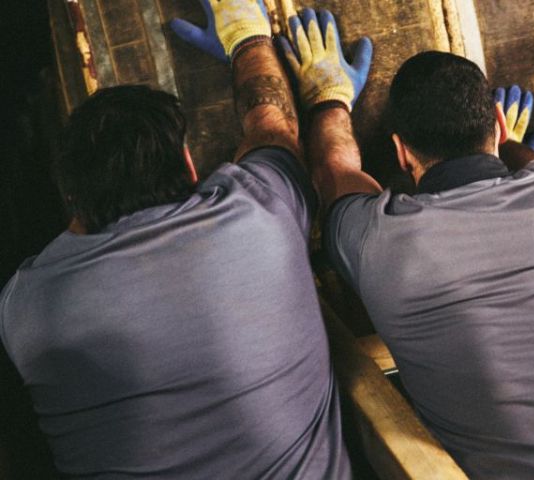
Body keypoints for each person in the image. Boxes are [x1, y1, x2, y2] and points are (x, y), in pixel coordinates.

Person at [281, 8, 534, 479]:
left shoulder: (381, 243)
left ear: (400, 152)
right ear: (497, 122)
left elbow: (334, 171)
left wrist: (329, 99)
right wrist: (511, 145)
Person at [0, 1, 352, 477]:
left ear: (70, 199)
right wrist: (247, 37)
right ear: (189, 165)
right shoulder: (260, 213)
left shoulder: (25, 306)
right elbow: (273, 127)